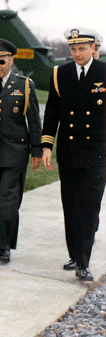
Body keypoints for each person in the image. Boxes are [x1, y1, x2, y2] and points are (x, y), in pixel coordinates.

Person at [41, 27, 106, 282]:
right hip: (68, 153)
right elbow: (52, 114)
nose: (77, 53)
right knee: (70, 207)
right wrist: (47, 145)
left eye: (82, 48)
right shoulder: (60, 74)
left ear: (93, 48)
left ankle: (83, 262)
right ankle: (75, 254)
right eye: (73, 49)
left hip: (97, 153)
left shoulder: (104, 72)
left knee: (88, 209)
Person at [0, 39, 42, 263]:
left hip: (15, 152)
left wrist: (37, 149)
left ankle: (5, 246)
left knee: (8, 199)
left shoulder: (24, 85)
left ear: (11, 61)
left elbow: (34, 120)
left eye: (2, 61)